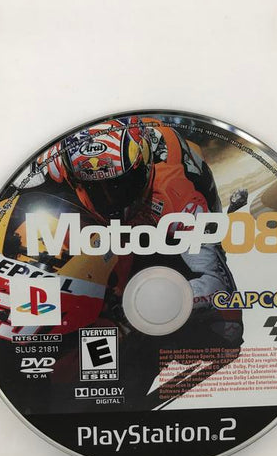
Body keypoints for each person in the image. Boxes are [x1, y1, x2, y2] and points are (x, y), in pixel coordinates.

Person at [47, 116, 244, 406]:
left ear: (145, 167)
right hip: (101, 217)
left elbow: (216, 286)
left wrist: (134, 318)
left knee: (225, 331)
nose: (114, 202)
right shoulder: (54, 164)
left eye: (123, 185)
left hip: (167, 217)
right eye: (98, 191)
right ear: (71, 178)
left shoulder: (176, 194)